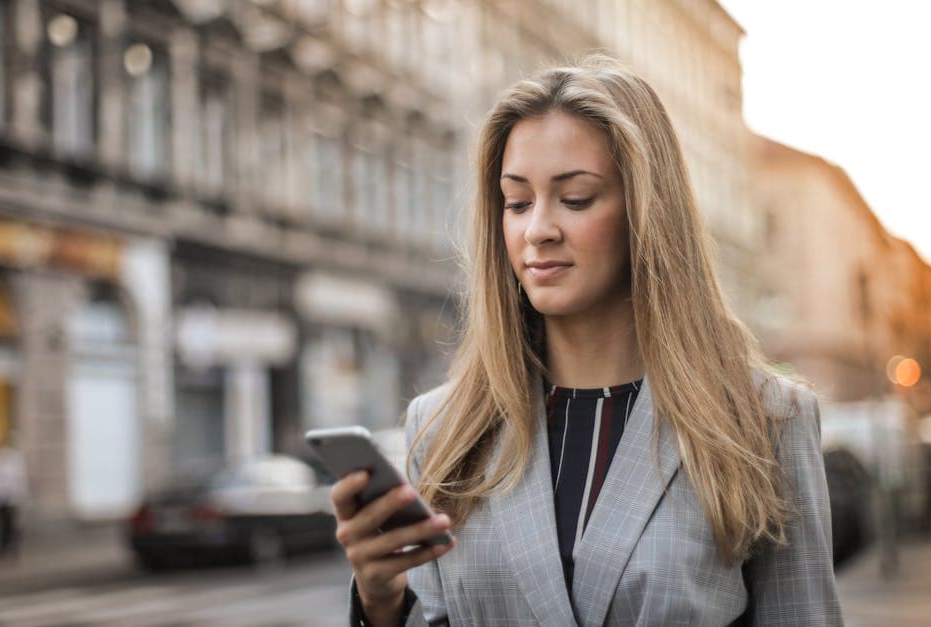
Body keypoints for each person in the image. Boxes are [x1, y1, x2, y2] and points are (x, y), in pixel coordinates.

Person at [331, 56, 842, 626]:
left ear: (646, 212)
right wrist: (381, 602)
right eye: (517, 202)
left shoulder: (765, 420)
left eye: (574, 198)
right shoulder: (446, 430)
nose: (538, 229)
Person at [0, 442, 28, 560]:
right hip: (1, 499)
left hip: (13, 499)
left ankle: (13, 551)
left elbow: (20, 481)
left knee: (13, 526)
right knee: (2, 525)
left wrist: (20, 496)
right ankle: (1, 550)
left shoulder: (15, 461)